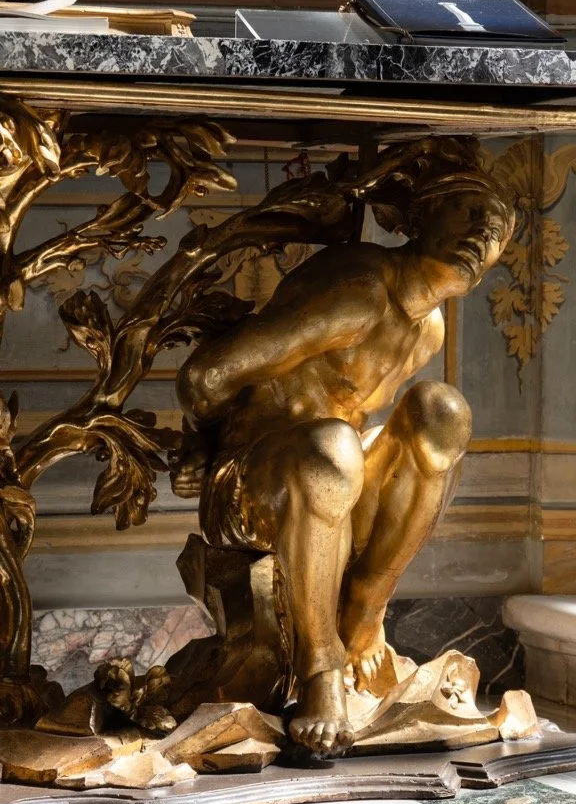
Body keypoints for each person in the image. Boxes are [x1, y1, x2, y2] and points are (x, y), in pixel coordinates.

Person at [174, 168, 514, 756]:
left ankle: (363, 609)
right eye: (469, 211)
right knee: (333, 445)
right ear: (421, 215)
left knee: (441, 411)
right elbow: (205, 377)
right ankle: (321, 670)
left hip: (336, 481)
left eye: (499, 230)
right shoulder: (359, 289)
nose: (483, 233)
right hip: (252, 486)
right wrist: (199, 448)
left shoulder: (428, 329)